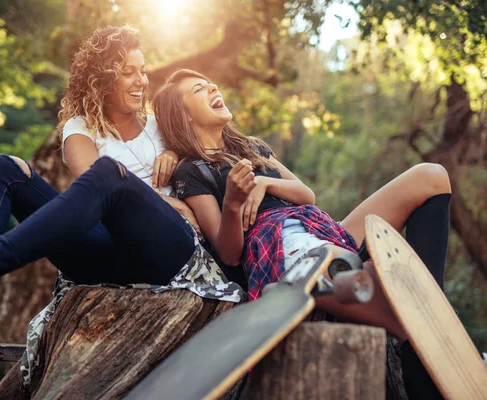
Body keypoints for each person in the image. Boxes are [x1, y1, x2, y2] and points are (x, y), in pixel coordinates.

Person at [0, 27, 244, 354]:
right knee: (4, 168)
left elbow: (201, 157)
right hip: (105, 252)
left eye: (143, 70)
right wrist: (163, 198)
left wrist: (171, 153)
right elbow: (100, 189)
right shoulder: (79, 128)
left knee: (110, 174)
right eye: (128, 72)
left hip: (171, 251)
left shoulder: (161, 123)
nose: (141, 81)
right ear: (103, 78)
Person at [153, 68, 454, 399]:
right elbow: (228, 254)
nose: (212, 88)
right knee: (406, 321)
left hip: (321, 227)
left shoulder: (253, 148)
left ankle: (426, 298)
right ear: (184, 116)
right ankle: (410, 318)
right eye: (199, 89)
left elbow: (306, 194)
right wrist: (234, 204)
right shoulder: (191, 171)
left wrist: (266, 182)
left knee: (431, 176)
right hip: (282, 250)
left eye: (211, 83)